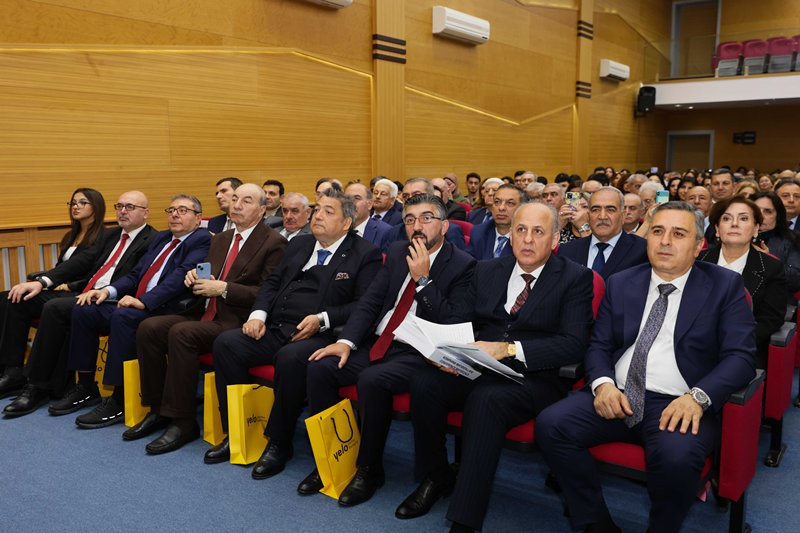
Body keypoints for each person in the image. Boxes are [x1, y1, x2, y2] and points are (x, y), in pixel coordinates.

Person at [536, 201, 757, 533]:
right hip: (619, 394)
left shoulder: (724, 286)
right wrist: (603, 384)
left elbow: (741, 357)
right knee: (551, 425)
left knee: (677, 458)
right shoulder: (623, 281)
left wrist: (698, 397)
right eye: (657, 231)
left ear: (699, 245)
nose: (665, 241)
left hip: (679, 401)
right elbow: (599, 345)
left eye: (678, 234)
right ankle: (595, 522)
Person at [262, 194, 475, 501]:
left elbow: (452, 321)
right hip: (379, 341)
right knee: (322, 367)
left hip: (419, 351)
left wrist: (423, 281)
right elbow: (371, 302)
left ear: (444, 227)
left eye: (426, 218)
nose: (417, 226)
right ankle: (331, 459)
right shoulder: (398, 250)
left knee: (372, 380)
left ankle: (369, 470)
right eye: (410, 219)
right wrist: (345, 342)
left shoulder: (464, 265)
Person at [398, 202, 594, 531]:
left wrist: (509, 349)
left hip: (535, 378)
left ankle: (464, 518)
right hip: (480, 366)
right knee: (424, 381)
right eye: (521, 230)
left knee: (486, 399)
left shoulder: (575, 277)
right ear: (511, 235)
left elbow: (574, 344)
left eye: (538, 232)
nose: (527, 239)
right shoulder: (487, 269)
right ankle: (436, 476)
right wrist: (448, 352)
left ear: (554, 239)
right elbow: (457, 321)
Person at [206, 189, 381, 464]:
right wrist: (258, 316)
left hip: (321, 334)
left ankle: (279, 441)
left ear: (346, 223)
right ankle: (238, 430)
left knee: (291, 358)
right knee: (227, 343)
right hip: (278, 327)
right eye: (317, 209)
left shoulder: (365, 254)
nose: (318, 216)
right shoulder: (300, 244)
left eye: (328, 212)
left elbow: (364, 305)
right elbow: (272, 283)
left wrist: (322, 318)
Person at [128, 184, 287, 455]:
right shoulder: (221, 239)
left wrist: (224, 288)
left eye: (246, 201)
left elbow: (268, 293)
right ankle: (158, 409)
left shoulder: (274, 243)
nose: (237, 205)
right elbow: (208, 277)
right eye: (234, 199)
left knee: (182, 333)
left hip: (235, 319)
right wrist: (194, 278)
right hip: (203, 311)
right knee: (149, 327)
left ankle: (182, 421)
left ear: (262, 210)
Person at [58, 195, 211, 428]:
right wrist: (107, 291)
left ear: (198, 218)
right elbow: (136, 274)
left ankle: (119, 398)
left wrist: (144, 302)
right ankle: (86, 385)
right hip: (140, 303)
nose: (175, 215)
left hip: (169, 308)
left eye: (183, 210)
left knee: (124, 317)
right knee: (85, 310)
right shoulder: (162, 238)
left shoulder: (201, 239)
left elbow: (180, 277)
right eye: (171, 210)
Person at [2, 192, 155, 416]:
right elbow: (82, 263)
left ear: (145, 213)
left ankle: (37, 385)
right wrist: (43, 282)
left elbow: (136, 277)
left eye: (130, 207)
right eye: (119, 206)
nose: (123, 211)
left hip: (111, 299)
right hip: (84, 292)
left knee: (55, 308)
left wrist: (103, 291)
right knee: (18, 298)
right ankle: (12, 371)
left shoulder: (152, 239)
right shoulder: (110, 235)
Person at [0, 188, 107, 399]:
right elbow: (62, 268)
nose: (75, 206)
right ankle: (11, 369)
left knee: (26, 301)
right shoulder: (71, 235)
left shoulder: (104, 236)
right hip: (59, 289)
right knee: (8, 297)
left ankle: (28, 379)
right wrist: (46, 282)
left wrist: (62, 285)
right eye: (73, 202)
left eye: (82, 202)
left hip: (80, 292)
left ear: (96, 207)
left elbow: (89, 268)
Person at [699, 196, 786, 368]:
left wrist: (730, 342)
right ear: (717, 229)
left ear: (756, 229)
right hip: (692, 346)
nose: (734, 224)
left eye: (743, 218)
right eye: (726, 218)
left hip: (742, 349)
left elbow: (770, 320)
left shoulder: (771, 267)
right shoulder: (697, 262)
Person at [558, 188, 648, 279]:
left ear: (623, 216)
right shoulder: (567, 251)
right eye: (595, 210)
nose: (602, 216)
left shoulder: (643, 250)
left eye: (610, 210)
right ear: (589, 216)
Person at [751, 191, 800, 293]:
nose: (760, 216)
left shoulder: (792, 240)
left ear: (778, 216)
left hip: (777, 299)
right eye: (756, 210)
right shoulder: (736, 238)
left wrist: (768, 261)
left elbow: (795, 280)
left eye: (768, 211)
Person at [465, 184, 523, 260]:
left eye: (510, 203)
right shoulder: (479, 232)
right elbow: (468, 263)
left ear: (521, 208)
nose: (501, 208)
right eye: (497, 202)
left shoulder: (526, 237)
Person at [344, 182, 393, 251]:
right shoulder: (337, 228)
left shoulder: (384, 231)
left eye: (357, 198)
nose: (350, 203)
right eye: (347, 199)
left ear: (369, 204)